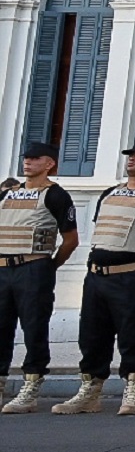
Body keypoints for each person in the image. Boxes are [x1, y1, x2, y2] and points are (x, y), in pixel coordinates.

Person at [52, 141, 135, 416]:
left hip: (133, 276)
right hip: (98, 277)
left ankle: (133, 389)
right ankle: (90, 391)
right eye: (130, 155)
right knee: (91, 335)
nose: (132, 159)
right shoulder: (110, 193)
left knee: (132, 333)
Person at [0, 142, 79, 414]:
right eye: (26, 158)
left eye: (35, 159)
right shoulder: (8, 194)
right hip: (3, 268)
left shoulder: (56, 195)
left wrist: (50, 265)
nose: (28, 163)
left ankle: (31, 385)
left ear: (49, 164)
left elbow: (70, 239)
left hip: (33, 267)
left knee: (34, 328)